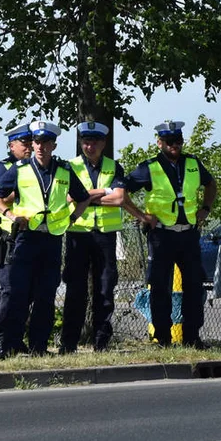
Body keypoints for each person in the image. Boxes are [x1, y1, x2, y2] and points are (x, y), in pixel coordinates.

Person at [0, 121, 89, 358]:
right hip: (24, 239)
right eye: (37, 142)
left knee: (45, 295)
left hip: (51, 239)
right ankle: (8, 346)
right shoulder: (20, 169)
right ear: (32, 144)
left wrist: (71, 219)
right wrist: (10, 215)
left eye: (45, 142)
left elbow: (83, 197)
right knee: (17, 293)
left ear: (54, 145)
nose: (40, 147)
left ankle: (39, 346)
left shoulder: (63, 170)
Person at [125, 119, 217, 348]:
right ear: (159, 143)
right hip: (161, 235)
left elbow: (211, 184)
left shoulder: (193, 163)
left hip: (188, 234)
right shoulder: (149, 167)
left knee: (194, 286)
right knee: (159, 287)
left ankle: (192, 337)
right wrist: (142, 216)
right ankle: (162, 337)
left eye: (177, 141)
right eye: (168, 141)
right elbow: (122, 191)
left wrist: (205, 209)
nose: (174, 145)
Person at [61, 121, 134, 353]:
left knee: (104, 289)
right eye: (85, 142)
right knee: (75, 291)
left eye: (94, 142)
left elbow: (120, 199)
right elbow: (67, 198)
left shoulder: (114, 167)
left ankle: (101, 342)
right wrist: (104, 191)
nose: (89, 146)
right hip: (78, 234)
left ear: (103, 143)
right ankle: (68, 344)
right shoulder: (69, 167)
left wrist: (85, 196)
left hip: (105, 235)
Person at [0, 121, 34, 335]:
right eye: (24, 142)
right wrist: (19, 189)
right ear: (11, 146)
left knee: (27, 291)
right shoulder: (3, 168)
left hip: (30, 236)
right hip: (9, 237)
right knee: (9, 290)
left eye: (31, 142)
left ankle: (18, 336)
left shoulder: (35, 167)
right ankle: (3, 338)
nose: (29, 147)